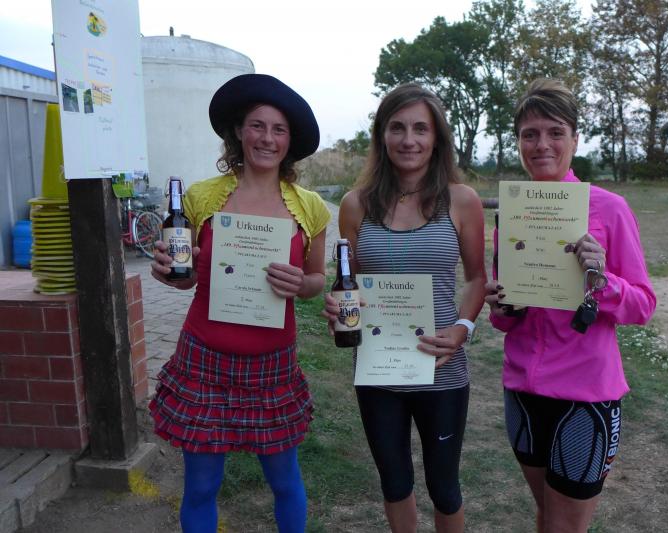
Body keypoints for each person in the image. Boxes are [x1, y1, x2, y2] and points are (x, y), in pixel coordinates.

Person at [148, 74, 330, 533]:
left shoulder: (310, 207)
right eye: (257, 126)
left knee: (285, 481)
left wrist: (301, 284)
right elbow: (186, 279)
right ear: (238, 132)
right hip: (204, 360)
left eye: (278, 129)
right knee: (201, 487)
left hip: (272, 364)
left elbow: (316, 281)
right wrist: (168, 270)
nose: (267, 138)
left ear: (289, 141)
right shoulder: (202, 197)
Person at [485, 78, 657, 532]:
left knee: (565, 526)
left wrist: (602, 282)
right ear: (518, 142)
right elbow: (506, 319)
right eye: (530, 134)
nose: (542, 144)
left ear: (575, 139)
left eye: (555, 132)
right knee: (546, 514)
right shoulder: (513, 212)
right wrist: (501, 307)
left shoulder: (609, 208)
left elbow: (643, 305)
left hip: (585, 395)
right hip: (523, 390)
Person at [323, 83, 486, 532]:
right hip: (378, 370)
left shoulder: (462, 200)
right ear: (382, 135)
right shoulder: (355, 205)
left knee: (445, 488)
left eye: (420, 128)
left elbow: (476, 278)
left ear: (436, 138)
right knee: (394, 483)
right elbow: (349, 284)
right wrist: (338, 310)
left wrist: (463, 328)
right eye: (397, 127)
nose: (408, 139)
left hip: (440, 367)